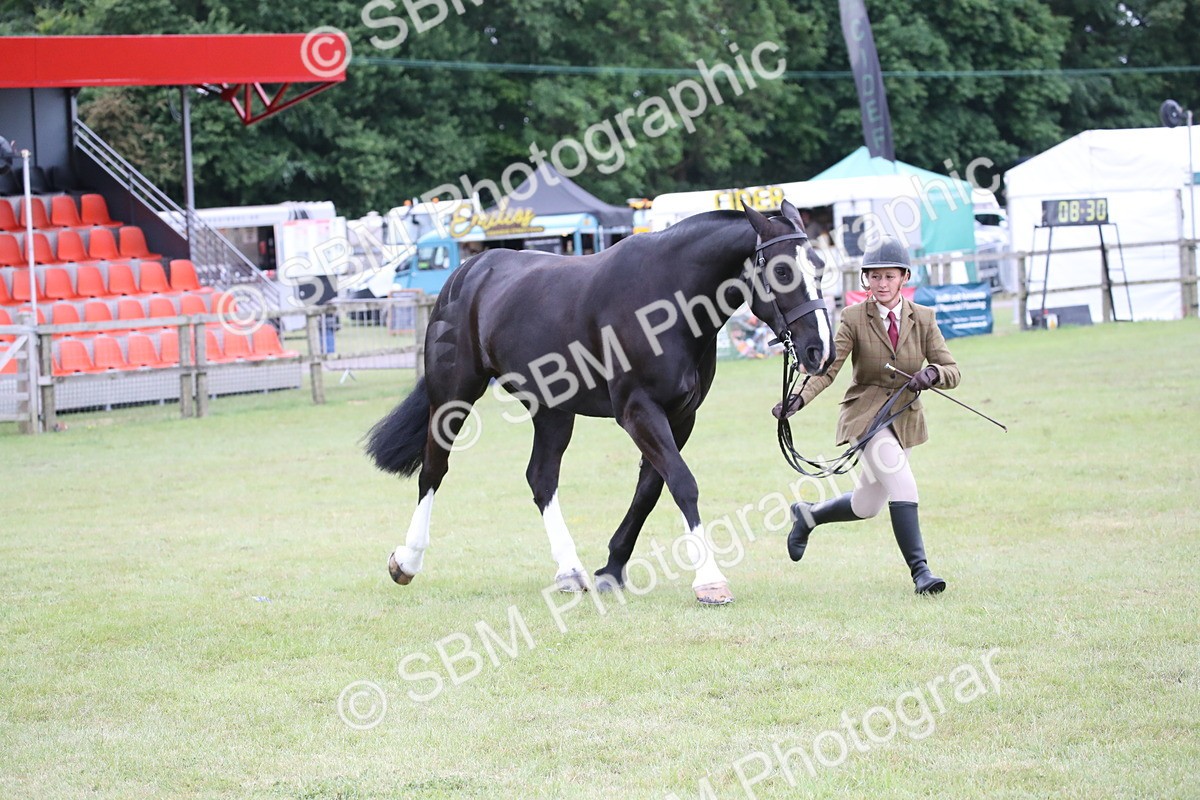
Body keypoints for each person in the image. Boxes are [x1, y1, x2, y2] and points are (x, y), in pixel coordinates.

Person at [772, 236, 960, 594]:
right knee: (903, 483)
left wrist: (933, 373)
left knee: (866, 504)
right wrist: (797, 399)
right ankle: (921, 572)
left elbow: (952, 369)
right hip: (866, 416)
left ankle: (808, 515)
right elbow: (828, 370)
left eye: (889, 276)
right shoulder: (854, 317)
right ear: (866, 280)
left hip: (904, 418)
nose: (881, 284)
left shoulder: (924, 319)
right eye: (874, 277)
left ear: (904, 277)